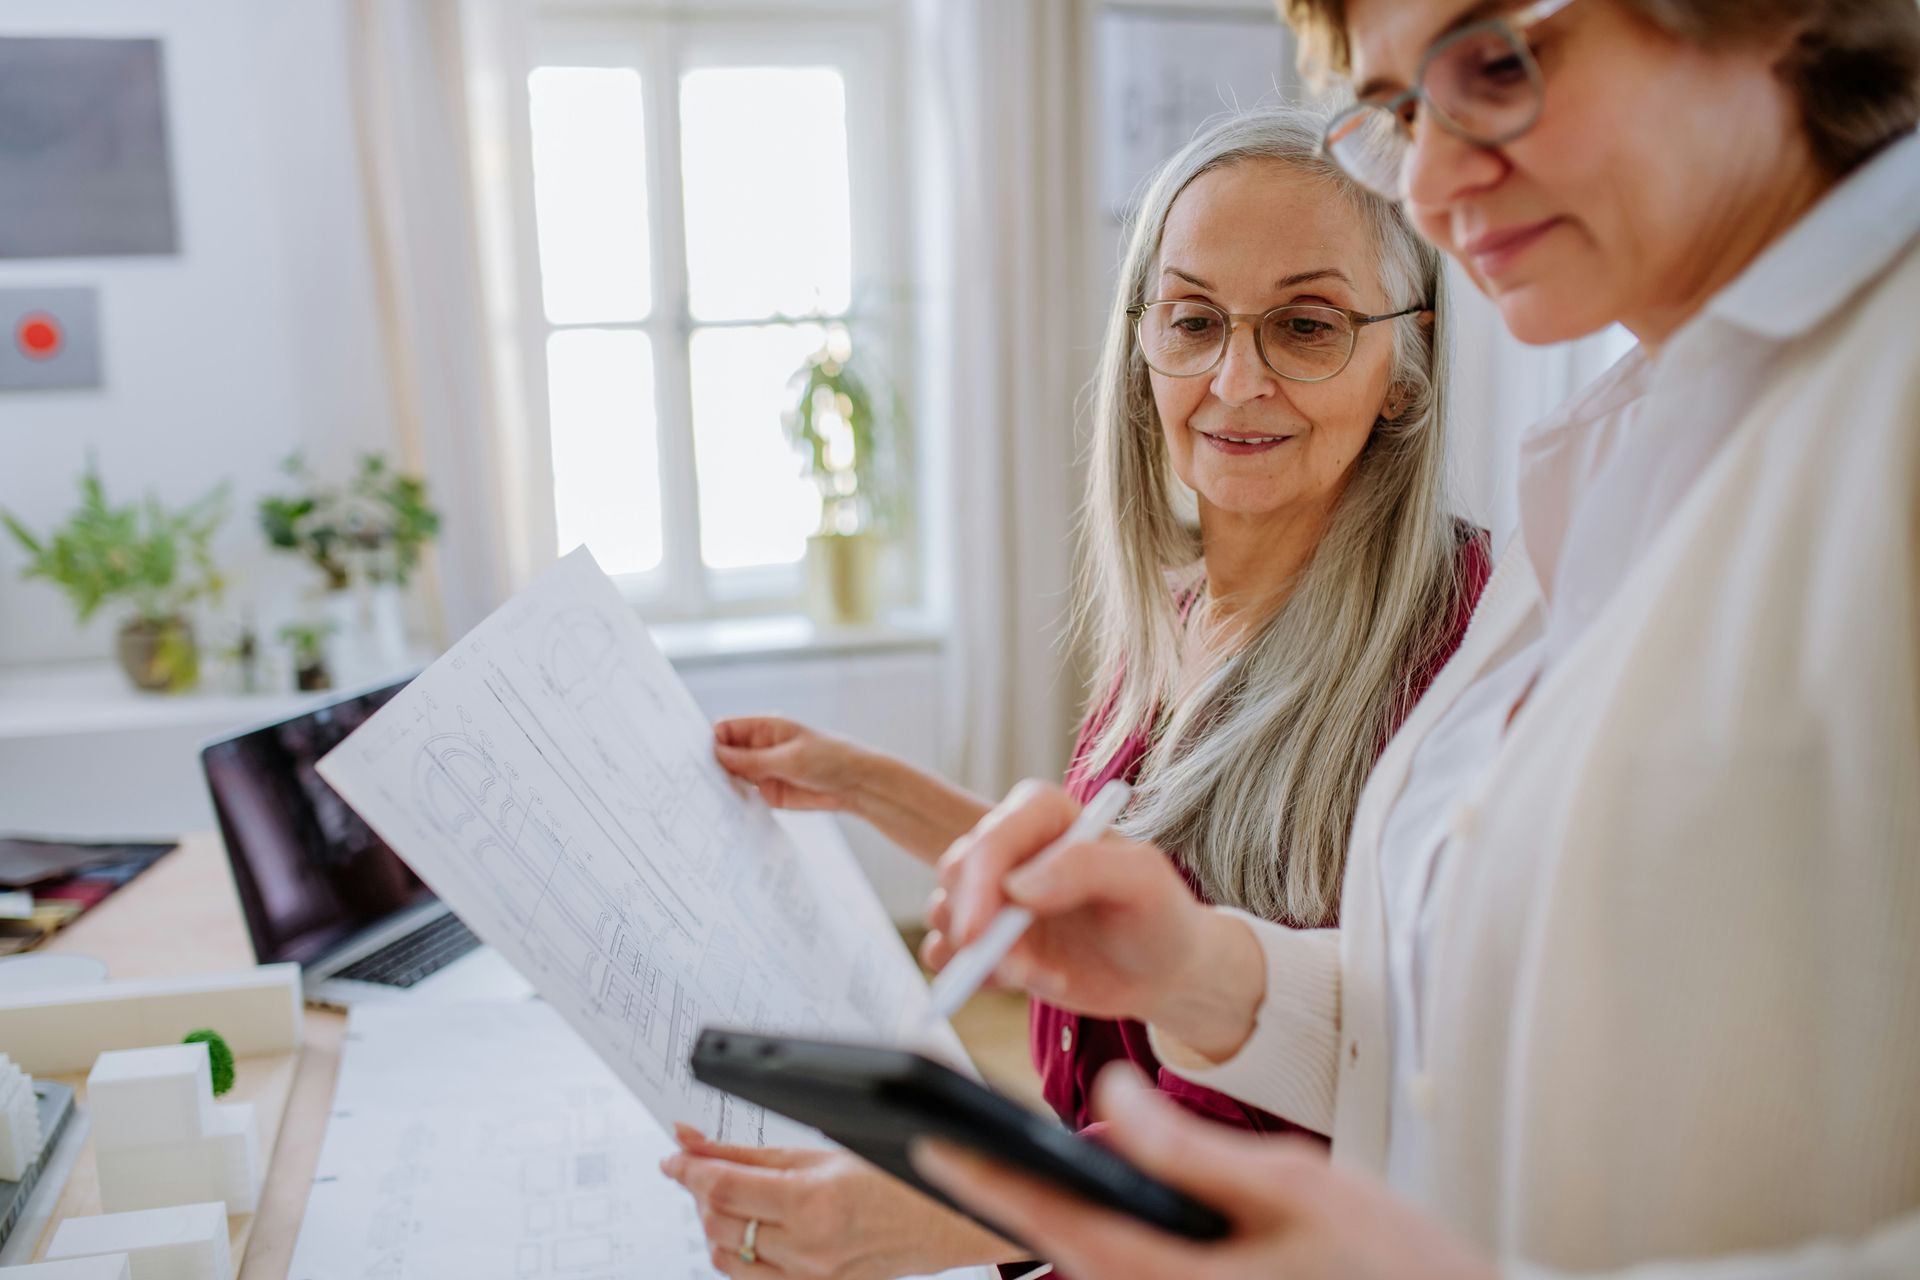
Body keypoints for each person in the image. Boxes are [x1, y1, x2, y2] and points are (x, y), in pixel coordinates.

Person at [915, 1, 1920, 1276]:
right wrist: (1208, 967)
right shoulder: (1637, 448)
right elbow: (1494, 1045)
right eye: (1395, 112)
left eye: (1497, 62)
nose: (1434, 181)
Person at [660, 104, 1492, 1279]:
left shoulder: (1456, 649)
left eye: (1307, 325)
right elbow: (1104, 891)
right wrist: (859, 781)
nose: (1233, 378)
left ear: (1405, 371)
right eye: (1193, 320)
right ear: (1141, 342)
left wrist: (962, 1206)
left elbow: (1358, 1103)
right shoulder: (1186, 603)